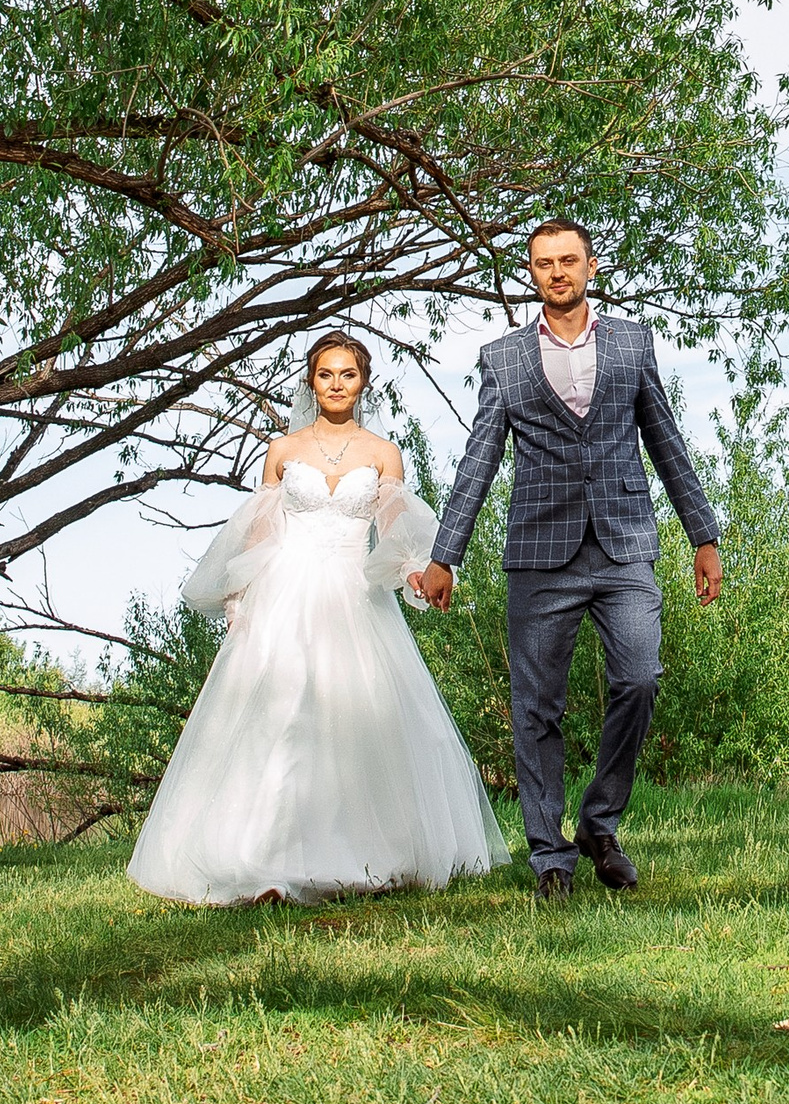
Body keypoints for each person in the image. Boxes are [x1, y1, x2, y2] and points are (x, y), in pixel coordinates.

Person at [127, 330, 508, 906]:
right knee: (281, 719)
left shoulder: (382, 453)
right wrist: (242, 595)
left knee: (363, 716)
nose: (336, 384)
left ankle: (372, 854)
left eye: (347, 374)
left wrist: (416, 575)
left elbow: (395, 530)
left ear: (363, 382)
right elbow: (260, 532)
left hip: (356, 594)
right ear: (311, 380)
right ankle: (265, 863)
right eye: (326, 374)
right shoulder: (282, 450)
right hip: (287, 590)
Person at [412, 220, 721, 898]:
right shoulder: (504, 358)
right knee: (536, 708)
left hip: (624, 543)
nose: (558, 272)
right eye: (545, 263)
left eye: (569, 260)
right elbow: (478, 460)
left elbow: (666, 440)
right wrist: (445, 556)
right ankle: (550, 855)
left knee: (640, 676)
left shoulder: (633, 343)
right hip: (540, 552)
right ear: (532, 273)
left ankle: (599, 822)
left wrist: (704, 534)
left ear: (590, 266)